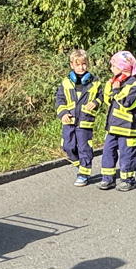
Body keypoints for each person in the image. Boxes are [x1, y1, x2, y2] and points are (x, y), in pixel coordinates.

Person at [54, 48, 101, 187]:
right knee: (67, 147)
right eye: (78, 64)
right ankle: (80, 164)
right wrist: (63, 113)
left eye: (84, 64)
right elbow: (59, 99)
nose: (81, 67)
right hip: (69, 121)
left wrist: (95, 102)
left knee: (84, 148)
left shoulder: (95, 82)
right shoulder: (65, 82)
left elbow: (102, 96)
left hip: (85, 122)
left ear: (88, 64)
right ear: (72, 65)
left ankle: (83, 174)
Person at [98, 51, 136, 191]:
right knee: (108, 152)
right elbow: (109, 102)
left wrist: (116, 91)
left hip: (127, 129)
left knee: (127, 155)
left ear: (123, 68)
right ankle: (108, 179)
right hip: (113, 127)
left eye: (114, 66)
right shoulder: (117, 82)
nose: (111, 68)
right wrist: (109, 90)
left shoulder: (132, 84)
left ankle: (127, 180)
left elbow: (129, 103)